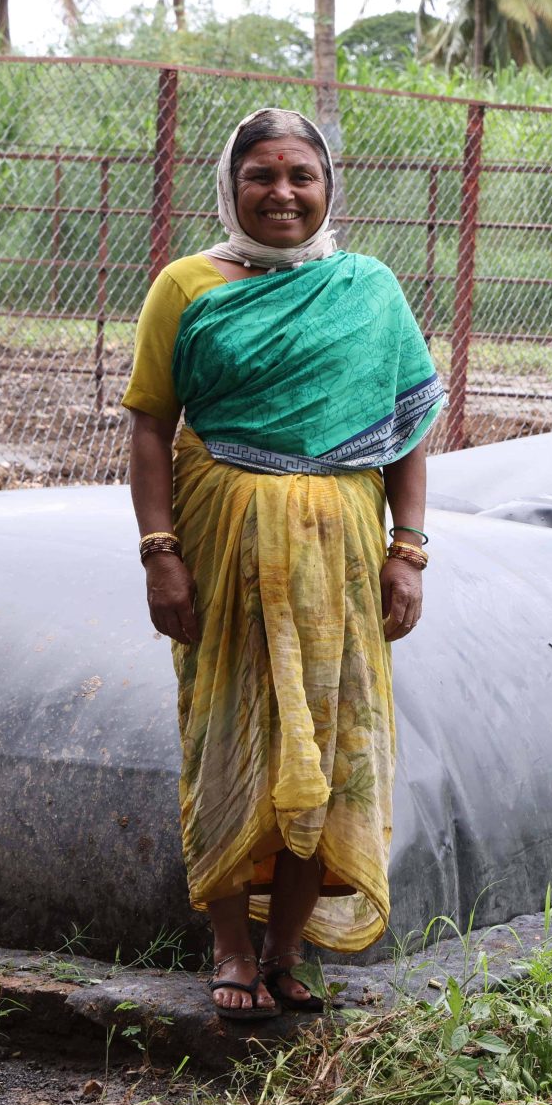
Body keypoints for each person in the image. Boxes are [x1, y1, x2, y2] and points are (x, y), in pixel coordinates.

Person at [122, 108, 442, 1019]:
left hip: (340, 549)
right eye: (262, 175)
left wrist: (407, 550)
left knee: (329, 738)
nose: (283, 194)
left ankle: (287, 951)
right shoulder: (186, 286)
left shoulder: (368, 289)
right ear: (232, 185)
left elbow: (408, 428)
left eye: (301, 175)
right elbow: (151, 425)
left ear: (327, 185)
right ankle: (228, 947)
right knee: (226, 725)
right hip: (222, 540)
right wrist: (159, 553)